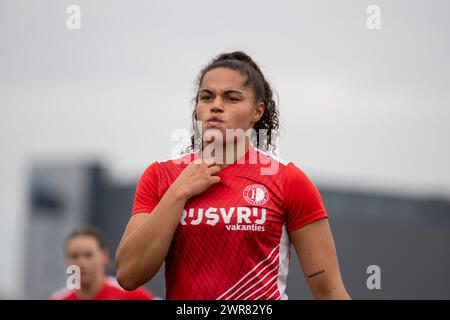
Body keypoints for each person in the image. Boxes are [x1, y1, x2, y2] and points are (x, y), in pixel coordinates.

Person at [115, 51, 350, 300]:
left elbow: (329, 291)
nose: (216, 105)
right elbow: (129, 275)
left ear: (257, 111)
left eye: (231, 98)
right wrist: (179, 192)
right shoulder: (160, 175)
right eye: (206, 97)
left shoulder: (289, 180)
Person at [50, 227, 156, 300]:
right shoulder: (58, 298)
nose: (81, 263)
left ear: (104, 256)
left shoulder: (131, 295)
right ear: (66, 260)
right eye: (74, 256)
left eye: (88, 255)